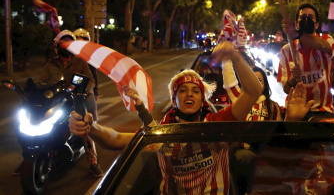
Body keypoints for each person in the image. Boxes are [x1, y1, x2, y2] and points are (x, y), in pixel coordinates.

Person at [69, 40, 263, 194]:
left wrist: (235, 57)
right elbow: (116, 139)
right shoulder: (161, 131)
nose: (189, 94)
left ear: (202, 99)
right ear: (174, 99)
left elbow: (253, 91)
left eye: (195, 91)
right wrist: (90, 127)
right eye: (183, 91)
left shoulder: (217, 124)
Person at [38, 30, 104, 177]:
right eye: (62, 44)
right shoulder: (51, 64)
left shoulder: (80, 61)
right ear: (56, 46)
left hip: (81, 99)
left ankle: (93, 161)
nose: (65, 47)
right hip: (59, 101)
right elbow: (42, 81)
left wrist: (82, 89)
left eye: (69, 44)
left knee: (85, 129)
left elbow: (91, 80)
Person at [222, 60, 283, 193]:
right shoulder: (239, 100)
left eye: (259, 80)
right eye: (252, 79)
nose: (255, 83)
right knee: (245, 156)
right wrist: (227, 60)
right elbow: (229, 83)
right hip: (242, 153)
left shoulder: (274, 107)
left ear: (265, 84)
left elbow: (279, 133)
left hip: (265, 154)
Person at [278, 3, 334, 120]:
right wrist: (293, 79)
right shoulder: (286, 50)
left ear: (316, 25)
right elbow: (286, 89)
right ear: (296, 24)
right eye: (302, 17)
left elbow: (322, 45)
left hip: (323, 112)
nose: (306, 19)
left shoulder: (327, 40)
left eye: (310, 17)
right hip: (296, 112)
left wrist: (296, 34)